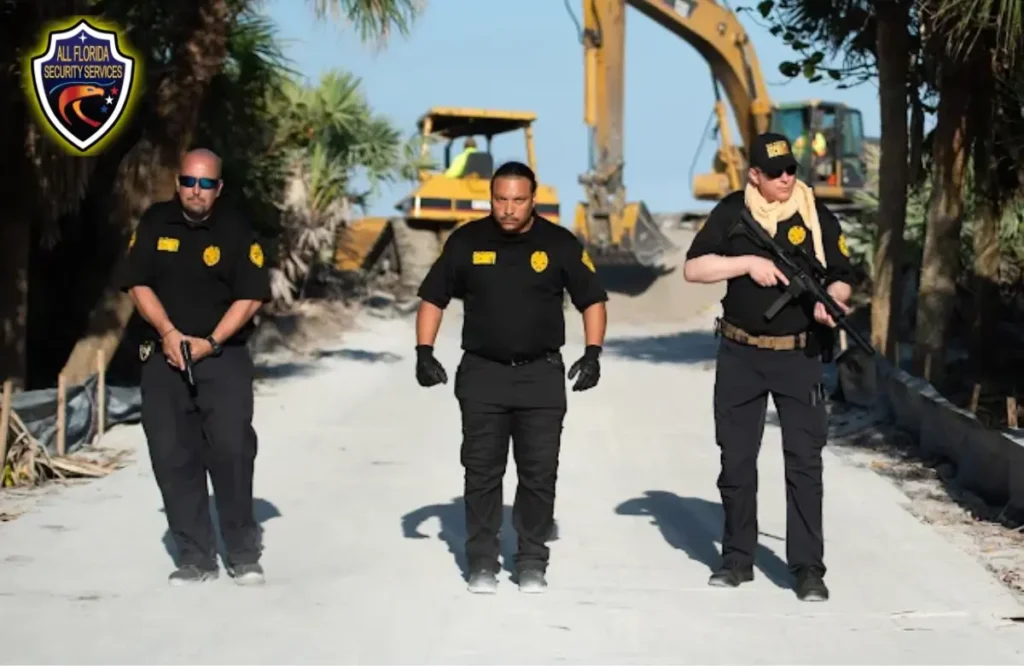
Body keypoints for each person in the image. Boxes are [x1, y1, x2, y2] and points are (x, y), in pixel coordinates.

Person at [414, 160, 609, 594]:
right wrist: (423, 352)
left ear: (533, 200)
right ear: (491, 198)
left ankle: (531, 560)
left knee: (539, 472)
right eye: (500, 199)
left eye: (518, 200)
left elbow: (592, 299)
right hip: (483, 373)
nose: (508, 209)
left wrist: (593, 353)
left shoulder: (558, 244)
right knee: (482, 471)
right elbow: (433, 297)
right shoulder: (466, 241)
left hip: (540, 375)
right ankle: (482, 561)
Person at [682, 132, 859, 602]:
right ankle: (737, 559)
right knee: (736, 461)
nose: (786, 179)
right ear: (754, 175)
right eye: (775, 172)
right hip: (740, 353)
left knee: (804, 463)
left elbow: (842, 278)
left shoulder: (815, 215)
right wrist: (745, 263)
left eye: (791, 170)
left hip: (798, 356)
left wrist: (831, 305)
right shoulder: (732, 213)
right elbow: (694, 268)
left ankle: (807, 570)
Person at [119, 147, 271, 587]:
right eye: (189, 181)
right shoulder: (155, 222)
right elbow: (137, 282)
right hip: (163, 357)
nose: (196, 191)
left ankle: (242, 554)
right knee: (172, 455)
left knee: (232, 452)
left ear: (218, 188)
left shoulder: (236, 228)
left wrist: (210, 342)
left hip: (222, 357)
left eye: (206, 184)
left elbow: (252, 295)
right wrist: (168, 333)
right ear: (178, 183)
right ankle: (194, 556)